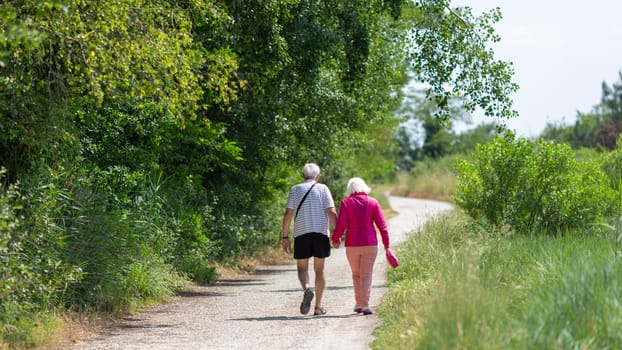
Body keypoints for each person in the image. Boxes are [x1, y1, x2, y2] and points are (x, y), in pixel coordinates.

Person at [282, 163, 337, 315]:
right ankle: (318, 307)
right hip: (320, 234)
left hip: (301, 234)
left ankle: (307, 289)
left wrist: (285, 237)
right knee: (319, 270)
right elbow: (331, 212)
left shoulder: (295, 189)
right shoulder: (323, 189)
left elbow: (288, 214)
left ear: (303, 175)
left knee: (302, 268)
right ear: (317, 177)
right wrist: (337, 234)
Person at [331, 177, 390, 315]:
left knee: (356, 274)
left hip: (352, 245)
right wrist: (386, 244)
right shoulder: (373, 202)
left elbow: (341, 225)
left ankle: (359, 303)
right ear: (365, 187)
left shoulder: (346, 203)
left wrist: (335, 238)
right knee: (367, 274)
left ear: (350, 189)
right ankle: (365, 305)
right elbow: (383, 226)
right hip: (370, 244)